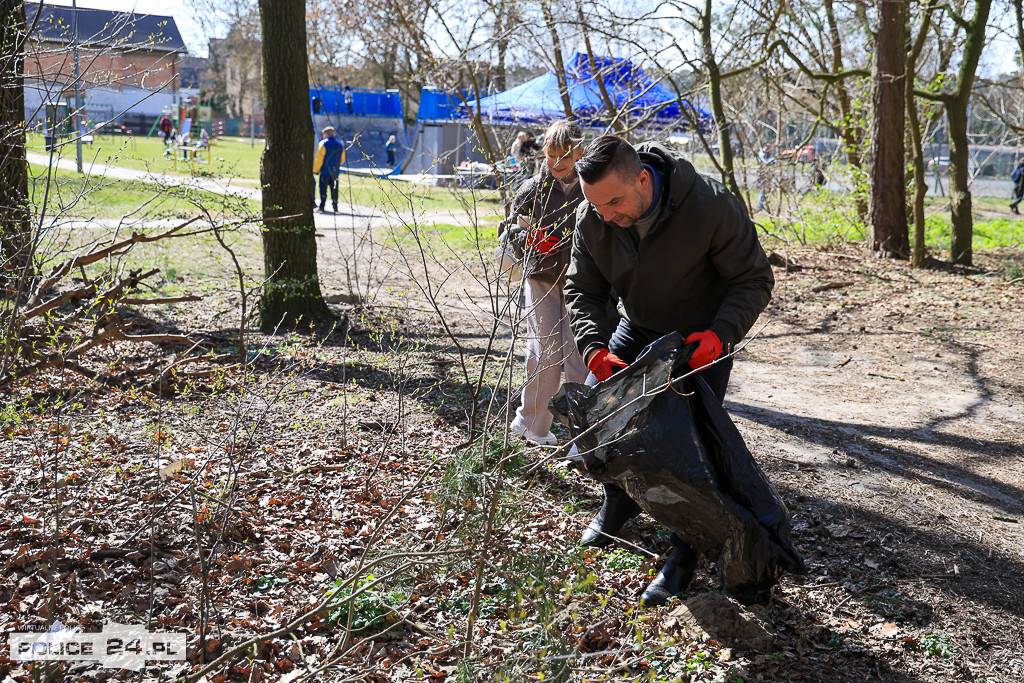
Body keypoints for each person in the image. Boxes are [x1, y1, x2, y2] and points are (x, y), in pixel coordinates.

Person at [564, 134, 774, 607]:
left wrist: (720, 335)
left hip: (698, 342)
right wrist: (594, 347)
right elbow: (583, 290)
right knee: (601, 427)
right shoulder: (593, 217)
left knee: (689, 456)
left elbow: (753, 278)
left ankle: (682, 554)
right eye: (596, 205)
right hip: (636, 328)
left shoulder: (710, 206)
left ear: (643, 179)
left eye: (614, 202)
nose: (606, 215)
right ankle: (617, 505)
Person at [499, 120, 589, 446]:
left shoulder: (592, 187)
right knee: (545, 351)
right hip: (541, 279)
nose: (556, 163)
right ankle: (531, 425)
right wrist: (527, 239)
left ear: (580, 152)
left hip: (584, 282)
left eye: (564, 156)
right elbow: (508, 231)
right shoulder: (532, 189)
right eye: (551, 155)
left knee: (579, 356)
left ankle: (584, 436)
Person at [313, 125, 345, 213]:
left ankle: (322, 206)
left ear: (327, 134)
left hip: (325, 171)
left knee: (323, 189)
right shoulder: (339, 145)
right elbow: (342, 159)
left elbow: (319, 159)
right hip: (335, 172)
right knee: (334, 190)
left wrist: (315, 170)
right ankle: (335, 206)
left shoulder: (323, 144)